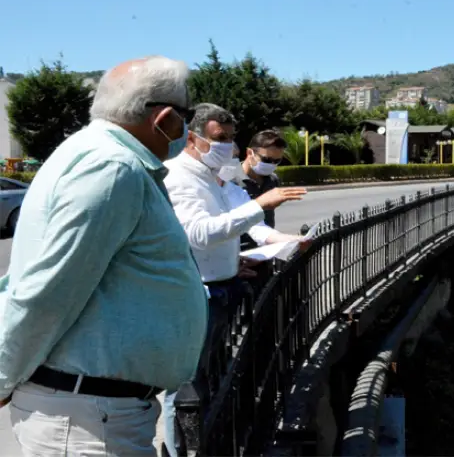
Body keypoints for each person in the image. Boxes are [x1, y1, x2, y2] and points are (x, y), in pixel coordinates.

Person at [0, 56, 207, 456]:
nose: (186, 128)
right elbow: (47, 290)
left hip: (94, 411)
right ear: (164, 117)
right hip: (86, 420)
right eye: (187, 115)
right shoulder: (113, 168)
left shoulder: (103, 156)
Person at [160, 104, 307, 456]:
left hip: (220, 289)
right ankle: (182, 449)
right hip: (198, 295)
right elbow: (198, 233)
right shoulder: (179, 176)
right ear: (191, 138)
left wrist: (285, 241)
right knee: (184, 389)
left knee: (206, 381)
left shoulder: (211, 176)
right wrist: (261, 206)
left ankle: (205, 442)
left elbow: (241, 228)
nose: (228, 146)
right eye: (218, 138)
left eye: (230, 138)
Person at [240, 129, 287, 228]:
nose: (271, 164)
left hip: (268, 241)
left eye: (277, 161)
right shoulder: (229, 179)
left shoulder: (273, 180)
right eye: (267, 159)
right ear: (249, 153)